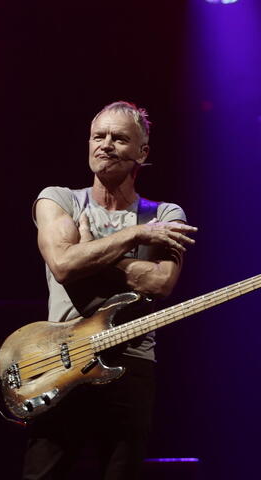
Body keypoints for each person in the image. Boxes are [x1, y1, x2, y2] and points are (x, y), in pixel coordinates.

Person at [23, 101, 197, 480]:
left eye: (119, 138)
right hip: (62, 358)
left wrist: (93, 250)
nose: (105, 144)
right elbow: (64, 265)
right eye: (98, 136)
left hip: (131, 362)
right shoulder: (59, 199)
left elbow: (159, 283)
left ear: (142, 152)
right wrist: (134, 235)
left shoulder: (166, 216)